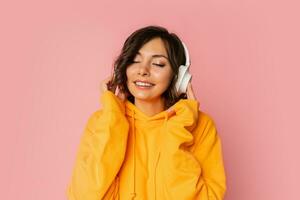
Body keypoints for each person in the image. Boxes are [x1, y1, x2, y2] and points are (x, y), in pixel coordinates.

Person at [66, 25, 227, 200]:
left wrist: (179, 129)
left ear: (178, 77)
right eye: (134, 61)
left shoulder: (199, 125)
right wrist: (113, 116)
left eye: (158, 64)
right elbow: (84, 195)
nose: (143, 70)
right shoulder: (103, 121)